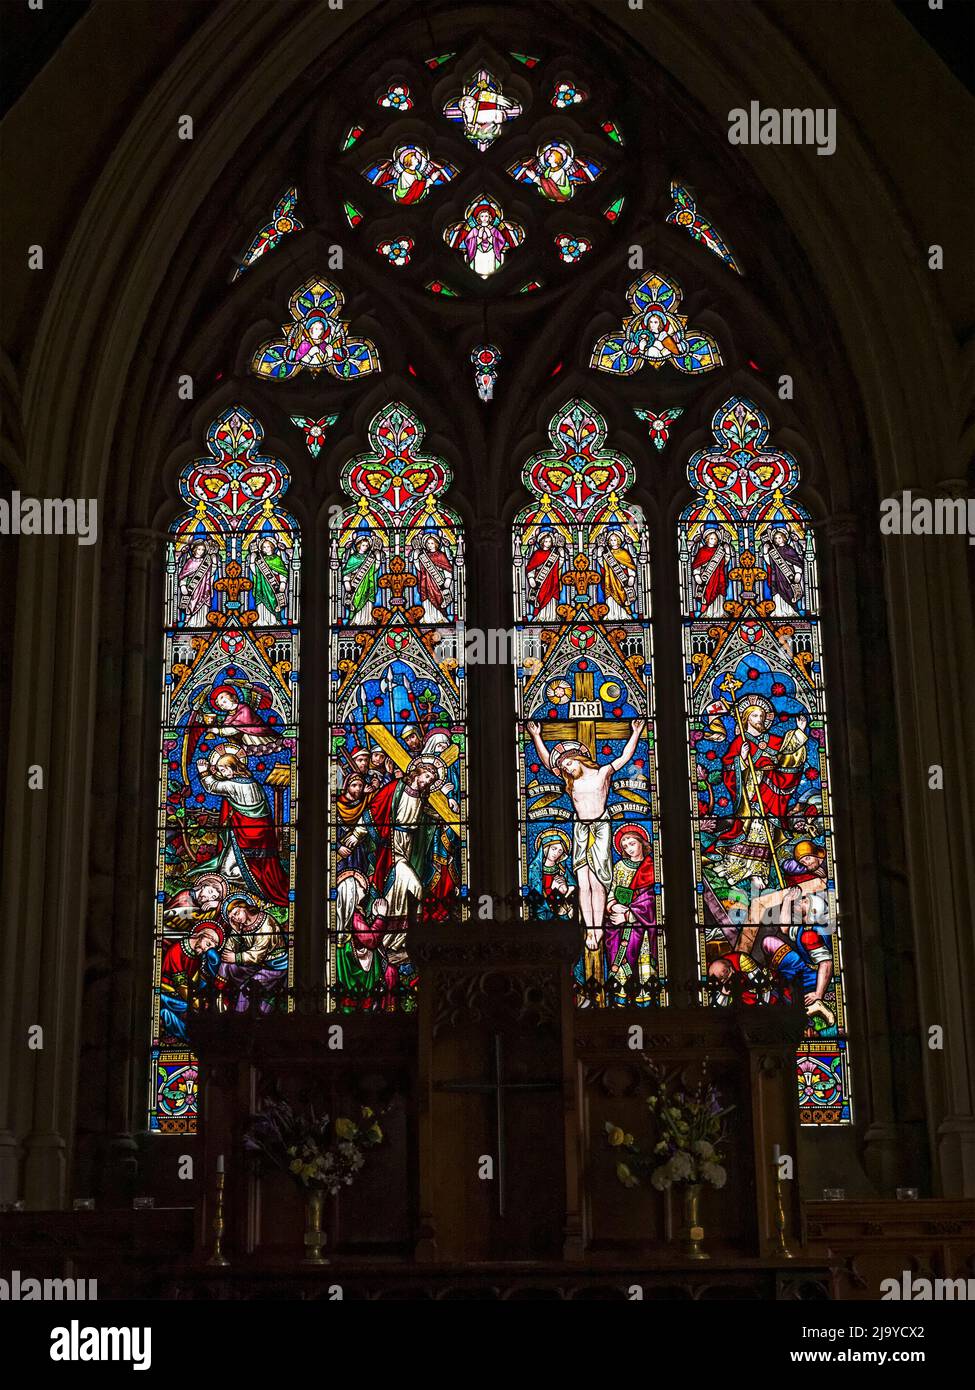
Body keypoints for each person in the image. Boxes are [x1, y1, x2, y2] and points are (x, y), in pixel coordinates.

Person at [525, 718, 645, 945]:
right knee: (583, 881)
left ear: (578, 758)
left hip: (600, 827)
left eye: (569, 764)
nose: (566, 769)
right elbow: (547, 762)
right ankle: (589, 928)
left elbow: (624, 758)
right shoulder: (570, 782)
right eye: (564, 768)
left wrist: (636, 732)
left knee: (598, 882)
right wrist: (536, 737)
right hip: (581, 829)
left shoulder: (602, 773)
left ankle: (598, 928)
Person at [194, 747, 291, 905]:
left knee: (230, 870)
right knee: (261, 867)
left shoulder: (233, 786)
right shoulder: (252, 783)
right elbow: (224, 780)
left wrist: (203, 771)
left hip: (246, 835)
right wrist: (215, 771)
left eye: (223, 770)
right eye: (220, 770)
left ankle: (250, 889)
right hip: (261, 834)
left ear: (231, 769)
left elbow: (212, 786)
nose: (222, 773)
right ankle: (254, 886)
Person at [218, 896, 288, 1013]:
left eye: (237, 913)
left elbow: (258, 953)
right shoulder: (242, 926)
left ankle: (242, 1016)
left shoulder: (266, 922)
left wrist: (236, 957)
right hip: (258, 964)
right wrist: (235, 930)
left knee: (249, 987)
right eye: (232, 917)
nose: (236, 918)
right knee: (229, 966)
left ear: (244, 907)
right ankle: (217, 992)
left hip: (275, 965)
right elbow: (230, 947)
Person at [159, 921, 225, 1041]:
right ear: (203, 935)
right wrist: (197, 1004)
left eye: (210, 947)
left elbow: (202, 979)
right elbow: (181, 986)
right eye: (208, 944)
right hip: (171, 992)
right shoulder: (177, 950)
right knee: (167, 1006)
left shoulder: (202, 955)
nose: (206, 949)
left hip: (190, 995)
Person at [527, 828, 575, 918]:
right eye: (554, 849)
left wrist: (565, 891)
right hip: (541, 912)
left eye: (560, 851)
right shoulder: (535, 868)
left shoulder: (562, 869)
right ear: (545, 848)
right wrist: (552, 888)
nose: (556, 853)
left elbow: (572, 886)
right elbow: (535, 895)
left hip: (561, 910)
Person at [176, 537, 217, 628]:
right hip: (192, 589)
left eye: (202, 549)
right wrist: (183, 586)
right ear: (194, 550)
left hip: (204, 587)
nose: (201, 551)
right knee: (191, 605)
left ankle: (202, 623)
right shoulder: (189, 562)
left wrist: (214, 562)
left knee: (203, 604)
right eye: (199, 549)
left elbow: (211, 572)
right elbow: (183, 575)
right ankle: (190, 623)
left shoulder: (205, 561)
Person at [691, 528, 732, 618]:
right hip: (707, 578)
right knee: (707, 595)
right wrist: (697, 575)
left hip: (718, 576)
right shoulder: (702, 551)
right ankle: (707, 614)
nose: (713, 540)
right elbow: (697, 564)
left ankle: (719, 613)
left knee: (718, 594)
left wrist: (727, 551)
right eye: (711, 538)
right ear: (706, 539)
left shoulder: (719, 551)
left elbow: (724, 562)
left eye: (715, 539)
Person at [250, 535, 288, 625]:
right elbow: (255, 572)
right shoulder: (260, 560)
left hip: (273, 587)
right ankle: (261, 621)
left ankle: (273, 621)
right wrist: (252, 560)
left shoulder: (277, 559)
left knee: (273, 602)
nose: (266, 549)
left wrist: (282, 584)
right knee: (262, 603)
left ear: (272, 547)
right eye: (264, 547)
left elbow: (283, 573)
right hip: (262, 585)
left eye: (268, 547)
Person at [524, 532, 563, 621]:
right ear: (541, 542)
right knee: (540, 598)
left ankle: (552, 617)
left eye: (549, 541)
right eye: (546, 541)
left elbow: (558, 566)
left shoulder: (553, 555)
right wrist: (531, 578)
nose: (548, 543)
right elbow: (531, 568)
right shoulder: (537, 554)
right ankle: (540, 617)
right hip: (541, 581)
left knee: (551, 598)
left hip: (551, 581)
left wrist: (562, 555)